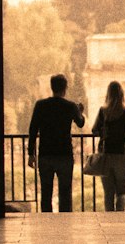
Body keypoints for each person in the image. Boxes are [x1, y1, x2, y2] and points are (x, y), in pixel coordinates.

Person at [27, 74, 86, 212]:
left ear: (51, 87)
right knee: (65, 193)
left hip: (45, 154)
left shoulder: (40, 105)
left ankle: (47, 222)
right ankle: (65, 224)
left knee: (46, 192)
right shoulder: (70, 106)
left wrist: (31, 153)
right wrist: (80, 112)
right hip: (64, 153)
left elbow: (33, 129)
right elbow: (81, 123)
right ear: (65, 88)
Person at [91, 81, 125, 212]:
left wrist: (104, 134)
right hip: (122, 153)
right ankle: (120, 214)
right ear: (122, 94)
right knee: (121, 191)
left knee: (108, 192)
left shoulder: (103, 111)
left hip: (105, 154)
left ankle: (109, 218)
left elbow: (94, 130)